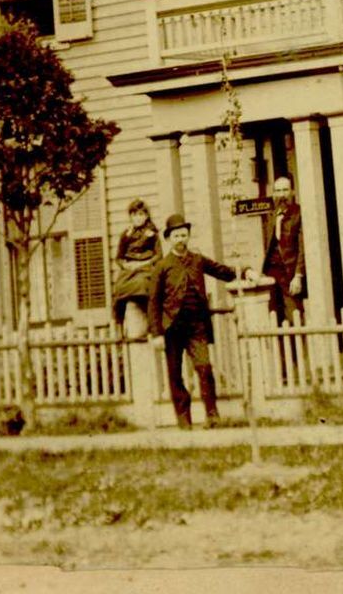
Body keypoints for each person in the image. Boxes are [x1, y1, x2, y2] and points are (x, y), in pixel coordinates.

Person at [146, 213, 248, 428]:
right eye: (176, 235)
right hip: (172, 327)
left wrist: (245, 272)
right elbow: (153, 303)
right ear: (169, 238)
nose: (181, 239)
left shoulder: (198, 260)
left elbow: (222, 271)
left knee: (204, 367)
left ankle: (212, 415)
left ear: (188, 237)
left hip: (196, 326)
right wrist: (156, 334)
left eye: (184, 235)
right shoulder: (162, 267)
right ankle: (183, 419)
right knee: (175, 374)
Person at [109, 198, 160, 337]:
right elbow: (118, 257)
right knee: (119, 288)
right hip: (130, 269)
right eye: (135, 215)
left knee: (143, 285)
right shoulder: (126, 235)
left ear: (146, 216)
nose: (138, 218)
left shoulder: (152, 235)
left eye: (141, 214)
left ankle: (151, 325)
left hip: (146, 268)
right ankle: (118, 324)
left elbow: (158, 255)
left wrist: (144, 263)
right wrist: (125, 265)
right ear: (131, 216)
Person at [261, 175, 306, 324]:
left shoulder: (299, 214)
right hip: (272, 273)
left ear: (292, 192)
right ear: (274, 194)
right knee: (274, 317)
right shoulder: (271, 215)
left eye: (285, 190)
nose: (282, 195)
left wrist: (298, 276)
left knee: (294, 316)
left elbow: (303, 246)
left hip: (290, 273)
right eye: (278, 191)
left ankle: (298, 347)